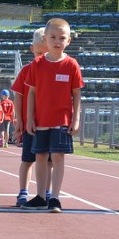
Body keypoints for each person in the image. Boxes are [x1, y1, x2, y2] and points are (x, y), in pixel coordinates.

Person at [22, 18, 83, 213]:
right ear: (45, 39)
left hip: (61, 120)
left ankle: (54, 197)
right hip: (41, 120)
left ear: (69, 41)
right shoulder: (37, 64)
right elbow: (31, 93)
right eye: (53, 37)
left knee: (57, 157)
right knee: (40, 156)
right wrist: (29, 118)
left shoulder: (71, 65)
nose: (57, 41)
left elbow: (76, 94)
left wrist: (76, 118)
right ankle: (40, 196)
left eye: (62, 38)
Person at [12, 27, 49, 207]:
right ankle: (23, 192)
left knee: (48, 161)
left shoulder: (53, 71)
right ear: (32, 49)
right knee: (27, 160)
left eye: (46, 53)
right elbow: (18, 96)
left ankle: (46, 192)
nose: (42, 57)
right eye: (39, 53)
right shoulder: (27, 70)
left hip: (49, 124)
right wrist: (19, 120)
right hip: (30, 125)